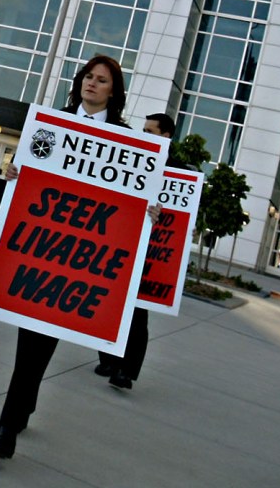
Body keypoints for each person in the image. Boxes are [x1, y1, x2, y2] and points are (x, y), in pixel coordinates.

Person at [0, 54, 162, 460]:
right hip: (39, 255)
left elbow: (133, 202)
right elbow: (23, 185)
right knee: (28, 343)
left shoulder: (126, 141)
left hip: (78, 265)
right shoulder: (52, 124)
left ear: (113, 91)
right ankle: (10, 421)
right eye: (88, 77)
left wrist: (148, 213)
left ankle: (17, 412)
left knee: (42, 344)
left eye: (101, 80)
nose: (92, 83)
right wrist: (13, 178)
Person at [91, 110, 180, 391]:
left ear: (166, 136)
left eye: (150, 131)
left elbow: (182, 217)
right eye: (143, 129)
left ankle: (126, 371)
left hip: (151, 253)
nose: (143, 135)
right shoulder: (132, 160)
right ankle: (107, 359)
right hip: (121, 244)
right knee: (107, 303)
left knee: (138, 314)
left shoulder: (181, 171)